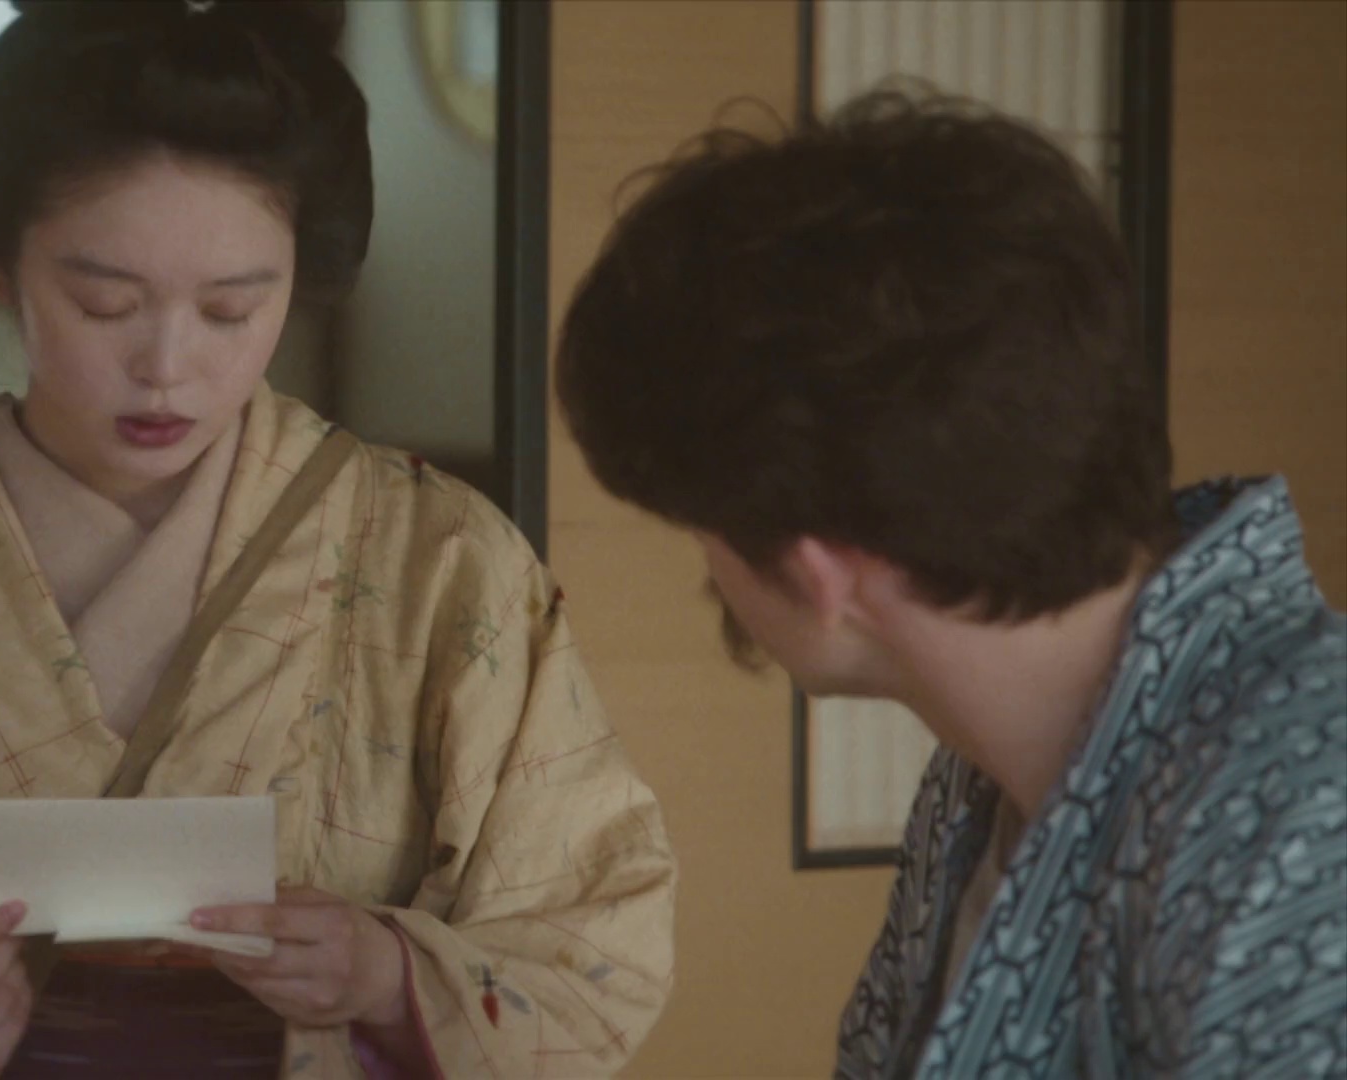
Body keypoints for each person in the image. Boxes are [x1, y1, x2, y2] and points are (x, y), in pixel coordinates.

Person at [0, 2, 676, 1077]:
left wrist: (390, 976)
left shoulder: (442, 565)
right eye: (104, 302)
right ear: (2, 268)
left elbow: (596, 944)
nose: (167, 366)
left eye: (231, 311)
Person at [556, 89, 1346, 1077]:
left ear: (818, 568)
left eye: (701, 526)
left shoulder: (1311, 815)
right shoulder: (974, 783)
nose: (708, 570)